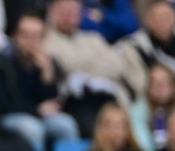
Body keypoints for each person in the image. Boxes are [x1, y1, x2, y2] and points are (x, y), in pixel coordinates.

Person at [0, 12, 80, 151]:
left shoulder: (47, 62)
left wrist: (47, 75)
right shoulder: (1, 62)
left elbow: (53, 103)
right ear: (16, 36)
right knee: (32, 129)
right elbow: (2, 104)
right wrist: (36, 110)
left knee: (66, 125)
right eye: (25, 35)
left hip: (37, 116)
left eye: (35, 36)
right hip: (9, 116)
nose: (30, 42)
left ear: (43, 38)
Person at [44, 0, 130, 136]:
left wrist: (85, 71)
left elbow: (116, 65)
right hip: (73, 102)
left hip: (105, 97)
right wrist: (93, 63)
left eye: (73, 11)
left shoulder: (94, 38)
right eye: (63, 11)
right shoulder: (46, 40)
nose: (68, 15)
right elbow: (66, 65)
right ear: (51, 12)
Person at [116, 0, 175, 121]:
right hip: (151, 110)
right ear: (148, 20)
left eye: (166, 17)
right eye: (157, 18)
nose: (162, 22)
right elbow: (141, 87)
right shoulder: (134, 48)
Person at [128, 62, 175, 151]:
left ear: (173, 86)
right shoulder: (138, 112)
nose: (160, 87)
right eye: (155, 83)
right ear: (148, 87)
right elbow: (143, 146)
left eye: (164, 82)